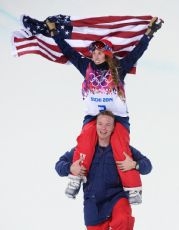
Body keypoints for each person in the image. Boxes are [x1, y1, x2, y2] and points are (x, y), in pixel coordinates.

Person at [48, 16, 161, 203]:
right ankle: (76, 177)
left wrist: (149, 33)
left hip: (117, 117)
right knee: (86, 139)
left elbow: (136, 53)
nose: (96, 55)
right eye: (94, 52)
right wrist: (54, 33)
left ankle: (133, 188)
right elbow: (68, 52)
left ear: (108, 54)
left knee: (119, 145)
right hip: (93, 117)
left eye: (100, 52)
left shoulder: (118, 68)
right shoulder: (86, 67)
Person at [55, 110, 152, 230]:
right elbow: (58, 166)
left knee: (123, 221)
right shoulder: (81, 149)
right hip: (93, 204)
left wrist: (134, 164)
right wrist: (70, 168)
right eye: (100, 124)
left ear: (114, 126)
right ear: (95, 125)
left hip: (117, 197)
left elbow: (147, 166)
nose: (104, 128)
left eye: (108, 124)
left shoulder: (124, 149)